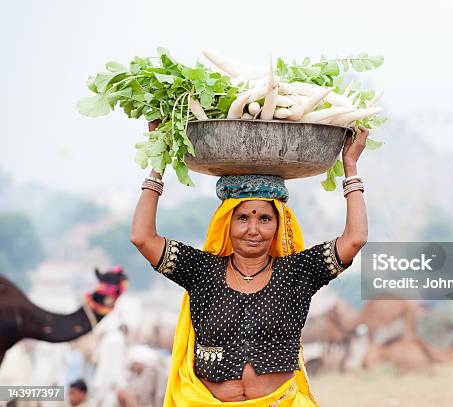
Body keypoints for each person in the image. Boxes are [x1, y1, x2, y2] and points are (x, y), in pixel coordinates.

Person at [130, 121, 369, 405]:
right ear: (227, 223)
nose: (253, 229)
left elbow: (354, 239)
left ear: (278, 225)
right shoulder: (202, 271)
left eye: (264, 219)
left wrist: (350, 168)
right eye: (243, 218)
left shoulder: (297, 274)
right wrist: (158, 164)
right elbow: (142, 237)